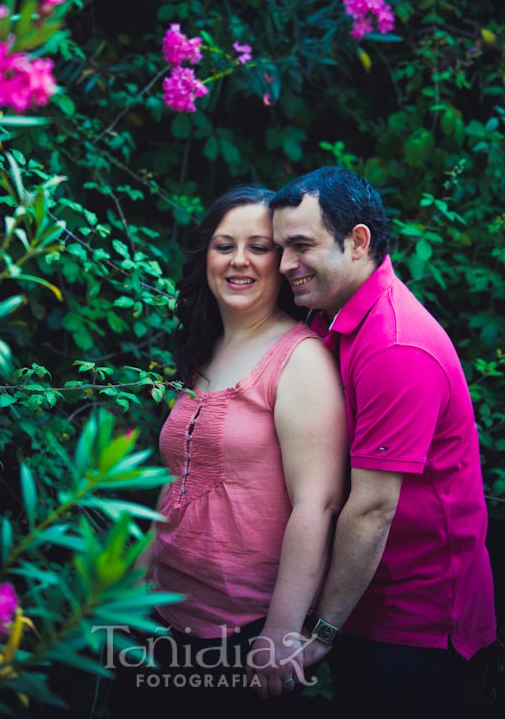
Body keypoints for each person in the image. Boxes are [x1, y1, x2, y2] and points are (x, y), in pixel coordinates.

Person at [107, 185, 346, 718]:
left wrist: (282, 633)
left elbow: (318, 505)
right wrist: (129, 589)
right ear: (206, 257)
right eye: (224, 245)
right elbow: (179, 481)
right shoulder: (205, 349)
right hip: (160, 616)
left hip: (240, 634)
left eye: (258, 247)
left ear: (282, 261)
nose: (239, 261)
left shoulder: (300, 362)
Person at [270, 166, 497, 719]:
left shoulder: (395, 344)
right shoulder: (341, 317)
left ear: (358, 242)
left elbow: (373, 509)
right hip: (366, 599)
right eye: (279, 248)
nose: (283, 266)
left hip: (415, 623)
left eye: (301, 246)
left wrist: (322, 628)